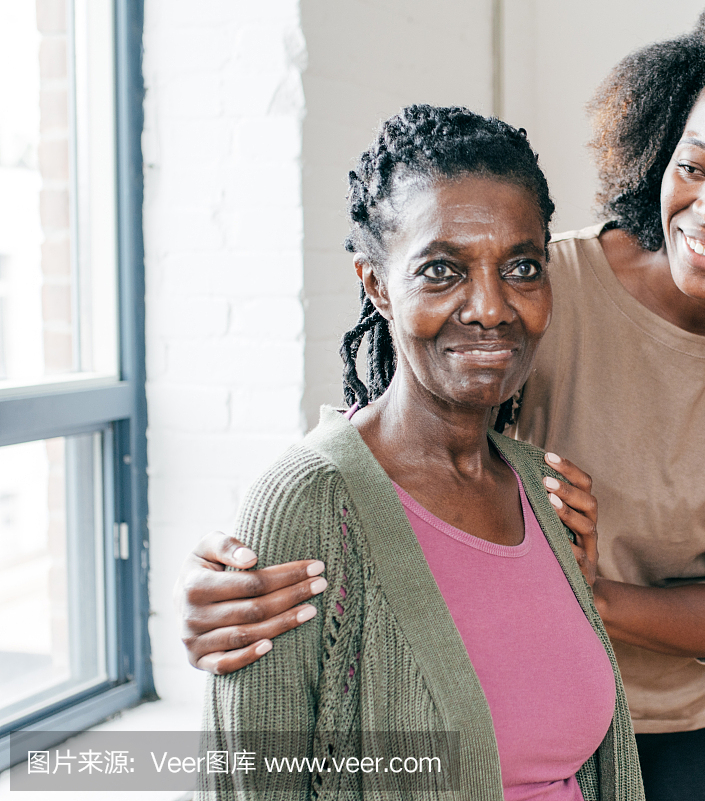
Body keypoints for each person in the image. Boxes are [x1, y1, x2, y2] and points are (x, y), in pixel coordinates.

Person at [178, 2, 705, 798]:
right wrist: (250, 563)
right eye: (695, 165)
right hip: (523, 703)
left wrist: (587, 594)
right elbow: (404, 430)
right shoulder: (538, 286)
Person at [197, 105, 644, 801]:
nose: (492, 307)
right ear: (376, 283)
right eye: (442, 270)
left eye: (522, 266)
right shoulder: (309, 501)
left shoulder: (544, 488)